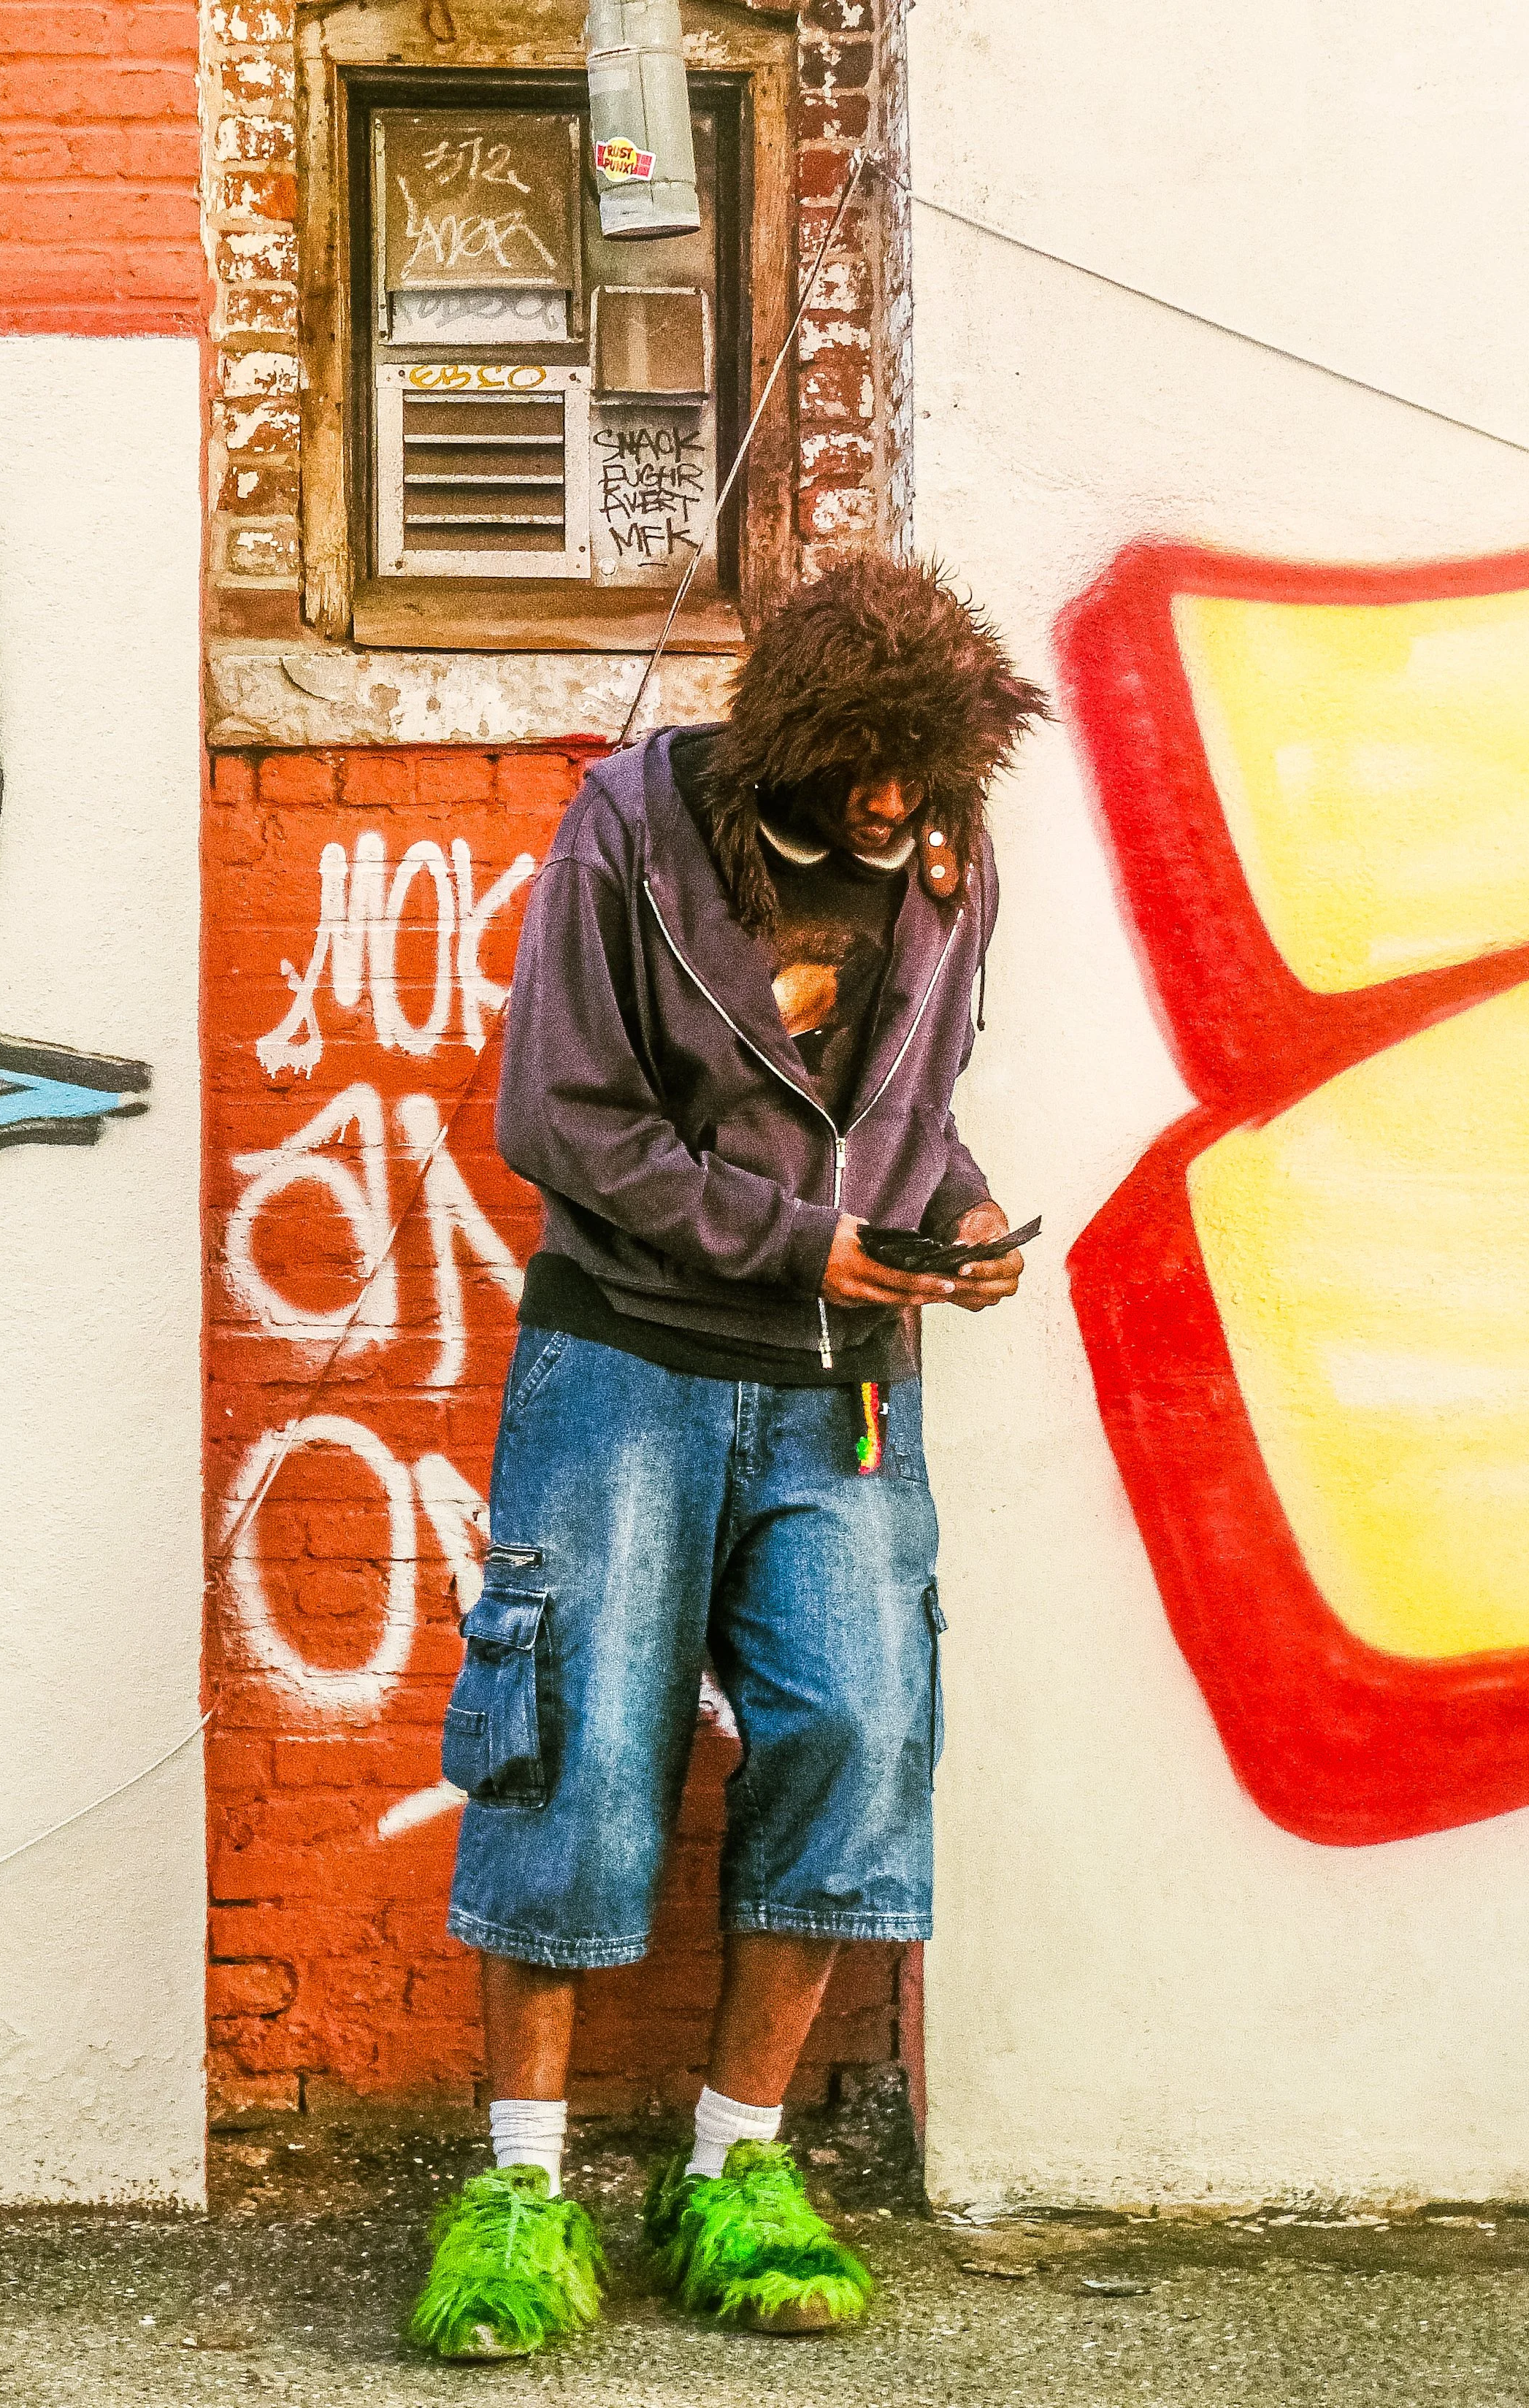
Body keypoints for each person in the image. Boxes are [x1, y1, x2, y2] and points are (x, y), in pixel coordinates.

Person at [407, 553, 1046, 2361]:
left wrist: (963, 1210)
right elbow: (562, 1114)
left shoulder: (948, 856)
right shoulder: (635, 824)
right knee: (577, 1738)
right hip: (628, 1357)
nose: (894, 804)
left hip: (847, 1381)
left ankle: (737, 2165)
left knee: (854, 1723)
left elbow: (905, 1111)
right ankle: (522, 2186)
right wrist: (788, 1239)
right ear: (794, 732)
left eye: (925, 772)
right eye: (864, 768)